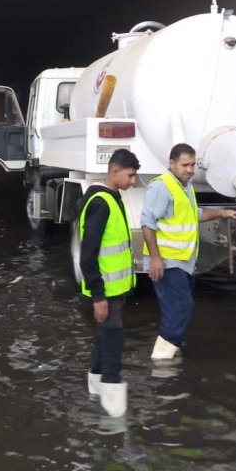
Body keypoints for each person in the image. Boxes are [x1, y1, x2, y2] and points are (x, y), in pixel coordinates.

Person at [141, 143, 236, 360]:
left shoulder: (184, 186)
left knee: (175, 308)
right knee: (182, 305)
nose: (190, 169)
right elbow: (147, 223)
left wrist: (223, 212)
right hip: (167, 262)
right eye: (184, 165)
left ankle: (169, 351)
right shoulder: (161, 187)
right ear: (171, 164)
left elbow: (193, 214)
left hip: (184, 260)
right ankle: (161, 358)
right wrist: (156, 259)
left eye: (193, 164)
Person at [79, 147, 141, 418]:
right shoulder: (101, 203)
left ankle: (95, 383)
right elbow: (88, 253)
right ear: (114, 171)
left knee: (105, 335)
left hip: (115, 287)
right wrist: (98, 295)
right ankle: (112, 399)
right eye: (130, 175)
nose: (133, 181)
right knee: (113, 336)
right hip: (106, 288)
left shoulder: (112, 198)